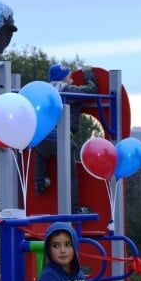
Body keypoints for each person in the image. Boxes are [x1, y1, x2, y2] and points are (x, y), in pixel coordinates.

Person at [34, 64, 99, 212]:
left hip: (43, 137)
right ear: (63, 78)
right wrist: (88, 73)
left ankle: (39, 183)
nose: (73, 80)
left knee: (40, 154)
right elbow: (91, 89)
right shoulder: (69, 90)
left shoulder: (46, 92)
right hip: (62, 140)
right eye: (70, 77)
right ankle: (73, 209)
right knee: (70, 175)